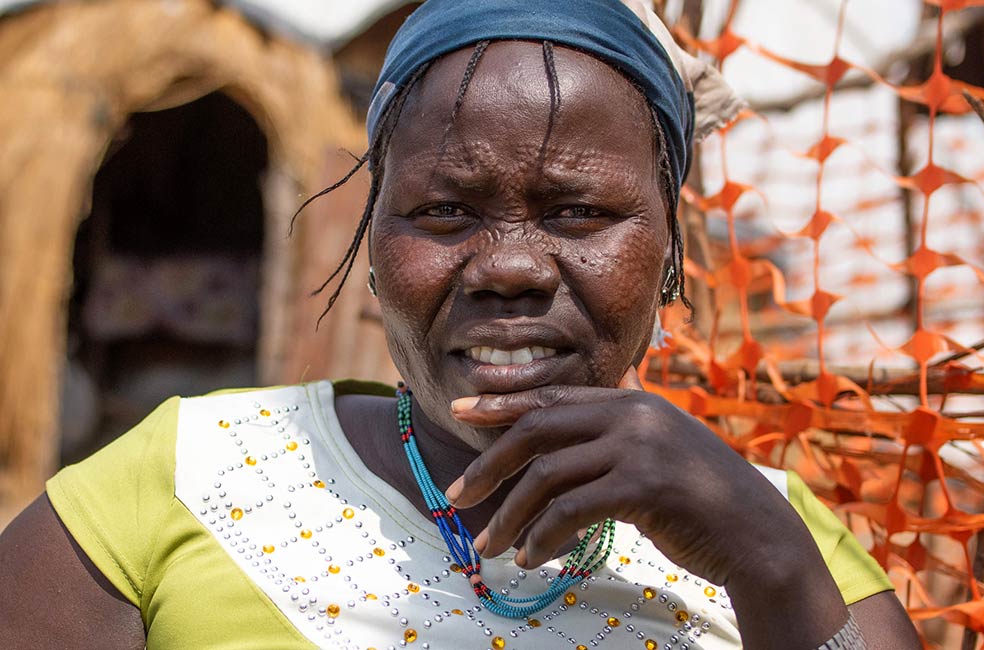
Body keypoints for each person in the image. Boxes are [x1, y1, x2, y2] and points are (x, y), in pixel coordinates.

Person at [0, 1, 921, 648]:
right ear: (369, 241)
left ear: (670, 252)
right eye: (444, 213)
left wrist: (768, 571)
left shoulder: (779, 535)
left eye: (578, 213)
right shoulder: (184, 481)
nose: (510, 267)